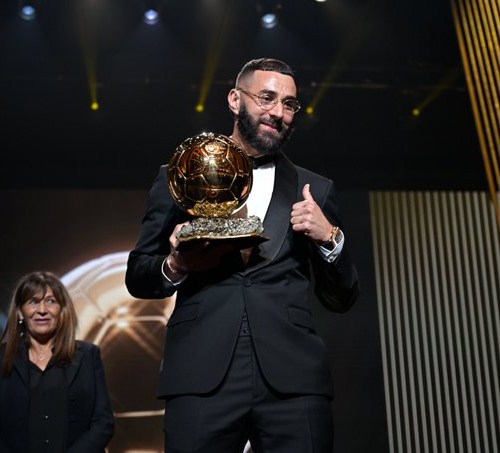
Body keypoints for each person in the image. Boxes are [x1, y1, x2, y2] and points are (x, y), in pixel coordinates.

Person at [125, 57, 360, 453]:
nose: (278, 112)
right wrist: (178, 265)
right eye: (267, 98)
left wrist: (329, 237)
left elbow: (341, 298)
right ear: (235, 100)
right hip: (201, 375)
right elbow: (138, 275)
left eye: (289, 104)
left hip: (294, 381)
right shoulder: (180, 177)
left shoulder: (314, 189)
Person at [0, 271, 115, 452]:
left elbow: (103, 423)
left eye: (51, 301)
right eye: (33, 301)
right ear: (20, 312)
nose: (42, 310)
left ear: (62, 310)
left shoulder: (88, 356)